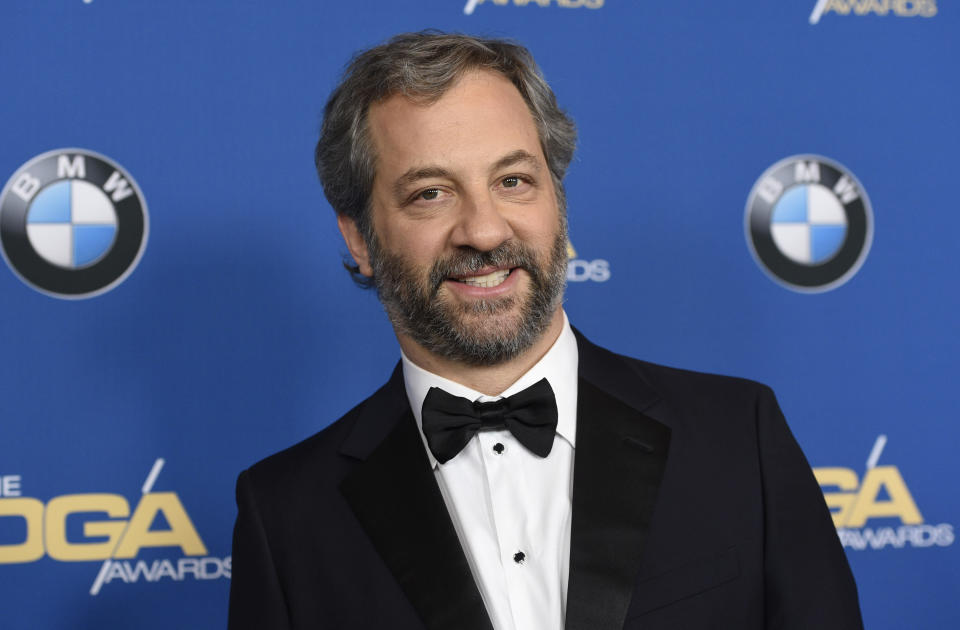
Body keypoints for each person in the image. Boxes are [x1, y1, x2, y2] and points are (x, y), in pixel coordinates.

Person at [228, 31, 863, 630]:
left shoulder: (737, 437)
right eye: (430, 193)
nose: (484, 230)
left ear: (558, 204)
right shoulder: (286, 513)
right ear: (359, 238)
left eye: (513, 181)